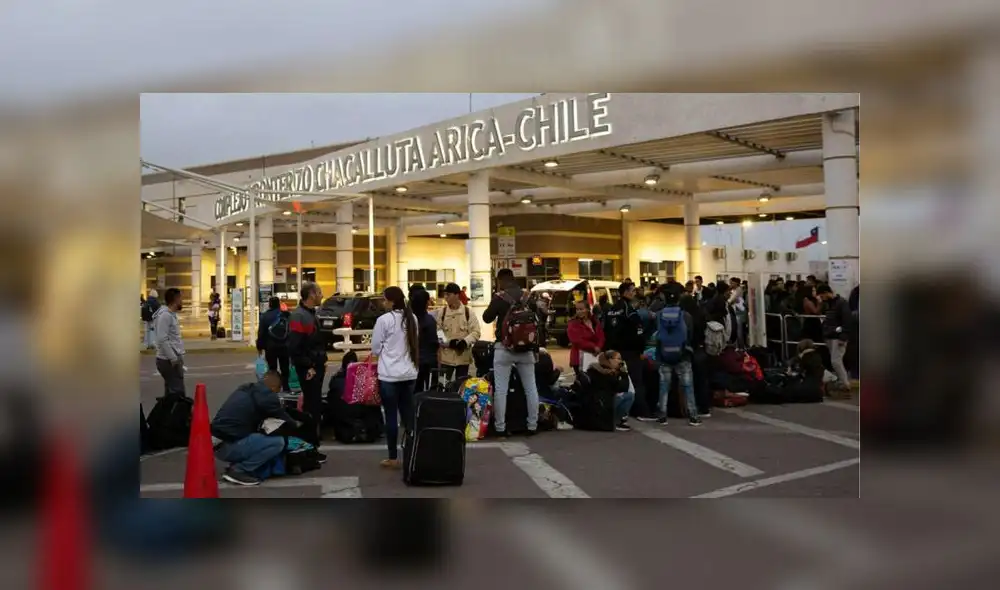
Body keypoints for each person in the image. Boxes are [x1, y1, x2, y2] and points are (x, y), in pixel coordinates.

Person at [210, 371, 314, 486]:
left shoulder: (245, 389)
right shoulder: (267, 397)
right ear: (274, 387)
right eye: (277, 391)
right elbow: (289, 423)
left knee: (258, 435)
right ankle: (240, 470)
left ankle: (239, 465)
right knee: (278, 442)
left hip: (217, 443)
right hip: (228, 446)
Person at [482, 268, 540, 438]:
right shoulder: (528, 296)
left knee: (501, 390)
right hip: (527, 348)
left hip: (504, 348)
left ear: (500, 281)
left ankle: (500, 427)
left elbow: (487, 318)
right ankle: (532, 425)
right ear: (514, 279)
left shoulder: (500, 298)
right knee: (531, 388)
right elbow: (538, 319)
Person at [371, 286, 420, 469]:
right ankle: (413, 453)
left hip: (389, 375)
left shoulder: (384, 320)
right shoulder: (412, 318)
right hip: (409, 373)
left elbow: (375, 348)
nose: (383, 303)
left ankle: (393, 457)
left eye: (384, 300)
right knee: (408, 416)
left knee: (391, 416)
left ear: (391, 301)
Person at [603, 281, 656, 421]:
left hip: (614, 353)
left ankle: (623, 411)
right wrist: (640, 349)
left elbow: (606, 331)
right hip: (630, 352)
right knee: (637, 382)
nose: (634, 293)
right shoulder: (629, 310)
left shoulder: (611, 310)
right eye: (632, 290)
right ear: (625, 292)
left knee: (619, 382)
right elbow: (637, 332)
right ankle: (641, 412)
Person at [287, 281, 328, 445]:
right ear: (311, 294)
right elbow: (295, 347)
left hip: (315, 365)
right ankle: (310, 439)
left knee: (315, 401)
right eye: (319, 292)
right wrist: (308, 365)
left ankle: (313, 435)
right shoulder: (299, 316)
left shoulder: (310, 314)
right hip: (309, 368)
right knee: (312, 403)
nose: (321, 295)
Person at [653, 289, 702, 426]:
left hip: (664, 355)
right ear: (678, 301)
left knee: (664, 386)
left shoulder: (659, 315)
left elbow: (657, 335)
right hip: (683, 355)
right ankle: (693, 415)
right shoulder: (686, 315)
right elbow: (690, 334)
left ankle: (662, 415)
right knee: (687, 386)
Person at [435, 283, 481, 382]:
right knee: (442, 386)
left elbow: (476, 332)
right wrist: (448, 343)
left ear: (457, 295)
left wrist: (465, 342)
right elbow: (438, 331)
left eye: (448, 294)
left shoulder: (468, 313)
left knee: (461, 388)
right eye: (445, 295)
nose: (446, 297)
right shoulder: (442, 313)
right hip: (446, 359)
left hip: (463, 358)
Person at [584, 351, 635, 432]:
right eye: (618, 359)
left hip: (593, 403)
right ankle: (617, 421)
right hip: (601, 404)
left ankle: (616, 419)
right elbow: (623, 387)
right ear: (610, 360)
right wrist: (624, 373)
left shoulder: (595, 368)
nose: (620, 361)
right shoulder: (607, 373)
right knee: (629, 395)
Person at [817, 285, 852, 392]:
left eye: (822, 295)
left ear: (826, 292)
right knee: (835, 361)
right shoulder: (829, 304)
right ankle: (842, 382)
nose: (821, 298)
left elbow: (847, 321)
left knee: (836, 361)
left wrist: (843, 337)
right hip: (830, 336)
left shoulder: (841, 303)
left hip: (837, 337)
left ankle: (845, 383)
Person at [152, 288, 186, 398]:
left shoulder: (171, 315)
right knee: (177, 392)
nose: (182, 301)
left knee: (171, 393)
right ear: (175, 299)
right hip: (168, 360)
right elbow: (162, 339)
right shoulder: (165, 316)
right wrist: (173, 358)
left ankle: (168, 413)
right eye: (180, 298)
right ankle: (177, 414)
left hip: (171, 358)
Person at [257, 296, 291, 393]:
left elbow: (261, 333)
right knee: (285, 367)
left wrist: (260, 347)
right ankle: (286, 387)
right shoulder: (286, 315)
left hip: (270, 347)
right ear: (279, 304)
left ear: (269, 304)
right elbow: (290, 330)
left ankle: (274, 387)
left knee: (272, 368)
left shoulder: (264, 316)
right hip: (284, 346)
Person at [567, 300, 604, 374]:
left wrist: (599, 347)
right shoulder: (573, 323)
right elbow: (576, 340)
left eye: (581, 309)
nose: (579, 311)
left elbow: (601, 336)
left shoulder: (595, 321)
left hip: (595, 355)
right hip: (579, 357)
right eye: (577, 309)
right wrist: (593, 347)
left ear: (587, 309)